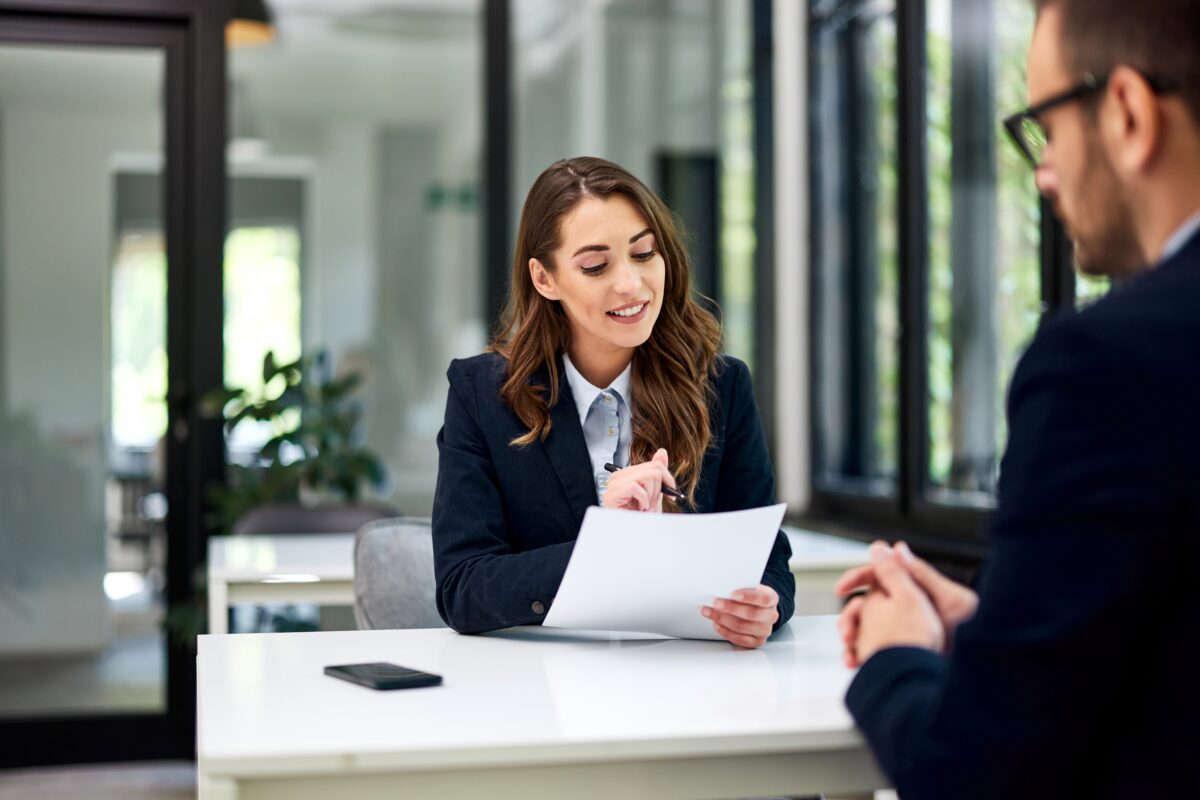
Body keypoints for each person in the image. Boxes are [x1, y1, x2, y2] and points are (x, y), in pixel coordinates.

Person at [833, 0, 1200, 796]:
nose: (1042, 171)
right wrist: (998, 629)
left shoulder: (1105, 363)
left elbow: (974, 775)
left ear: (1130, 113)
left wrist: (898, 654)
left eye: (1047, 128)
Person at [433, 156, 794, 647]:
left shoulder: (721, 386)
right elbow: (463, 590)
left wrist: (764, 606)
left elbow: (768, 561)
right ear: (545, 279)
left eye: (644, 254)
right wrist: (605, 546)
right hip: (535, 692)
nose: (630, 284)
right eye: (596, 265)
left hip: (688, 684)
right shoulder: (483, 395)